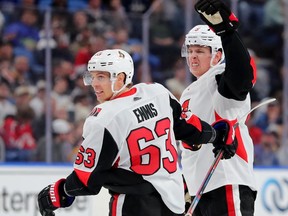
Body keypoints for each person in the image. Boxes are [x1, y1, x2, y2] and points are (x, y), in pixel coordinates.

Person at [37, 48, 237, 216]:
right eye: (93, 76)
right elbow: (188, 128)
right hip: (174, 201)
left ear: (121, 78)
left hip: (133, 205)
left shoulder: (104, 118)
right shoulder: (157, 92)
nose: (95, 84)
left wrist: (60, 192)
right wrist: (216, 135)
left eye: (102, 77)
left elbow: (87, 180)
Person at [179, 0, 258, 215]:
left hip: (227, 182)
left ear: (216, 55)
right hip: (200, 191)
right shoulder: (189, 93)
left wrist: (228, 33)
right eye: (190, 50)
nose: (193, 56)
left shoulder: (219, 79)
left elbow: (243, 76)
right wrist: (187, 186)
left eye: (201, 51)